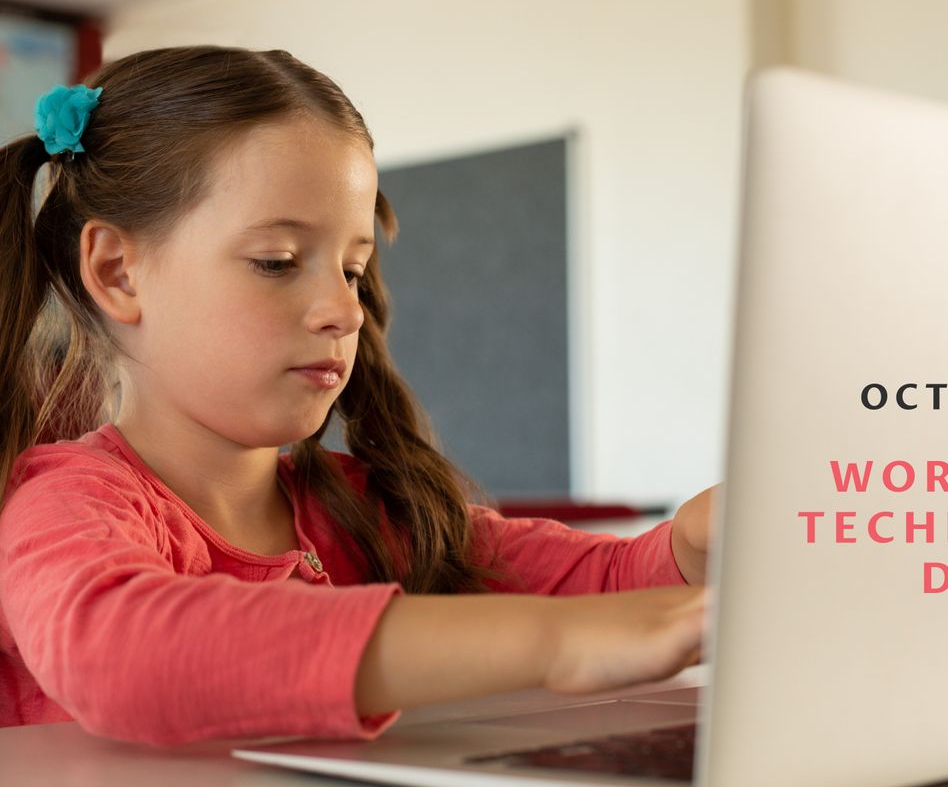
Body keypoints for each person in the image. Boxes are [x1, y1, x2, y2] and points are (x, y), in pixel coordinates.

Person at [0, 45, 714, 746]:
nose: (344, 310)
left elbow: (617, 588)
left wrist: (693, 544)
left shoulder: (374, 512)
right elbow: (120, 652)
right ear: (119, 272)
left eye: (352, 269)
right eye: (277, 263)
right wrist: (555, 644)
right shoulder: (67, 504)